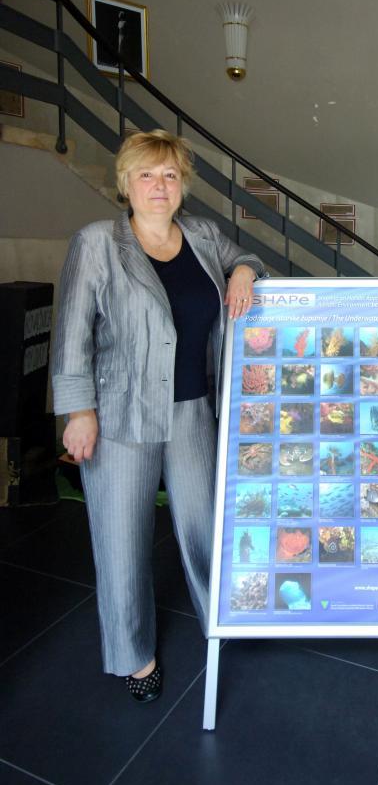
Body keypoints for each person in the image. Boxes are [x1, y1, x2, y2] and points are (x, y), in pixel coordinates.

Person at [52, 129, 266, 700]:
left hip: (194, 411)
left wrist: (243, 272)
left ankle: (221, 620)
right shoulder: (97, 243)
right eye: (146, 174)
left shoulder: (202, 235)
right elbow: (71, 332)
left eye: (170, 175)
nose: (158, 185)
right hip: (119, 416)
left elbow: (247, 258)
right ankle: (134, 655)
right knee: (121, 540)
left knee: (206, 525)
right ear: (125, 182)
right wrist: (78, 410)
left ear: (183, 185)